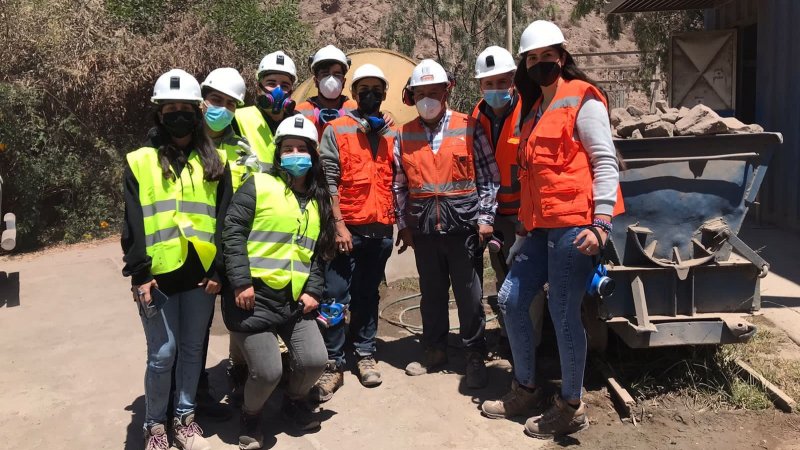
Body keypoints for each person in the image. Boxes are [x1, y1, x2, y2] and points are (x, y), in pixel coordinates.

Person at [479, 20, 624, 438]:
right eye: (533, 58)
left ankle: (572, 405)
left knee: (563, 314)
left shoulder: (583, 99)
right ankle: (526, 387)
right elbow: (533, 179)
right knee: (510, 299)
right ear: (525, 63)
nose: (541, 63)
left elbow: (604, 161)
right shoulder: (533, 111)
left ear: (562, 57)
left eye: (548, 56)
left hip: (576, 228)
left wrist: (601, 223)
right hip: (540, 230)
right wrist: (523, 233)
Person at [122, 68, 230, 450]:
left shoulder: (215, 161)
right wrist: (139, 275)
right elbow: (133, 222)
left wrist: (219, 269)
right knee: (163, 353)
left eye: (186, 108)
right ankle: (154, 425)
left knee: (191, 351)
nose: (179, 114)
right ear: (159, 114)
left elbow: (223, 219)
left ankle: (185, 418)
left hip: (201, 276)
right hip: (158, 276)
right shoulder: (140, 161)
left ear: (197, 114)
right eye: (171, 108)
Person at [222, 115, 334, 449]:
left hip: (293, 300)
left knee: (314, 359)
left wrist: (314, 289)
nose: (295, 154)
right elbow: (233, 233)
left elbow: (316, 252)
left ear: (313, 154)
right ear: (278, 152)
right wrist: (241, 282)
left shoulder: (317, 199)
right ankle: (251, 414)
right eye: (288, 148)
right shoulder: (258, 184)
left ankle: (294, 401)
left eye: (302, 148)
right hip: (252, 298)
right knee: (268, 370)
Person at [393, 59, 500, 389]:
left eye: (433, 92)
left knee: (470, 297)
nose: (427, 98)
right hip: (425, 231)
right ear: (412, 95)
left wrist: (485, 219)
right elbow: (399, 184)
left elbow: (489, 177)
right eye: (420, 93)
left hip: (464, 229)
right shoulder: (405, 133)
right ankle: (435, 349)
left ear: (446, 91)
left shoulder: (469, 127)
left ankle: (474, 355)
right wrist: (404, 225)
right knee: (432, 294)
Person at [310, 64, 396, 402]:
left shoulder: (392, 134)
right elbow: (328, 180)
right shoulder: (337, 129)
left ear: (384, 95)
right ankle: (333, 365)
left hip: (379, 230)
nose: (370, 95)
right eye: (364, 90)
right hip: (346, 229)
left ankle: (364, 354)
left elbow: (398, 181)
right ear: (355, 94)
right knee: (334, 297)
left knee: (367, 295)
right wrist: (339, 224)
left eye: (377, 89)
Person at [470, 45, 527, 348]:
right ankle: (510, 336)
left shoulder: (528, 110)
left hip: (524, 214)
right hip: (493, 215)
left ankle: (531, 338)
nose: (496, 89)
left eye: (502, 82)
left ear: (513, 81)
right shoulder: (476, 115)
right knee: (503, 274)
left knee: (528, 278)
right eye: (489, 83)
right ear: (480, 85)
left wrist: (528, 218)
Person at [233, 51, 299, 169]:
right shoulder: (238, 118)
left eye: (285, 86)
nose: (278, 91)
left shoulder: (298, 122)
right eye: (271, 83)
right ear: (259, 87)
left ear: (291, 90)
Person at [295, 45, 356, 136]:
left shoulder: (355, 111)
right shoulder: (299, 112)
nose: (331, 79)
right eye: (325, 74)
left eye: (337, 74)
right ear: (316, 81)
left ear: (343, 82)